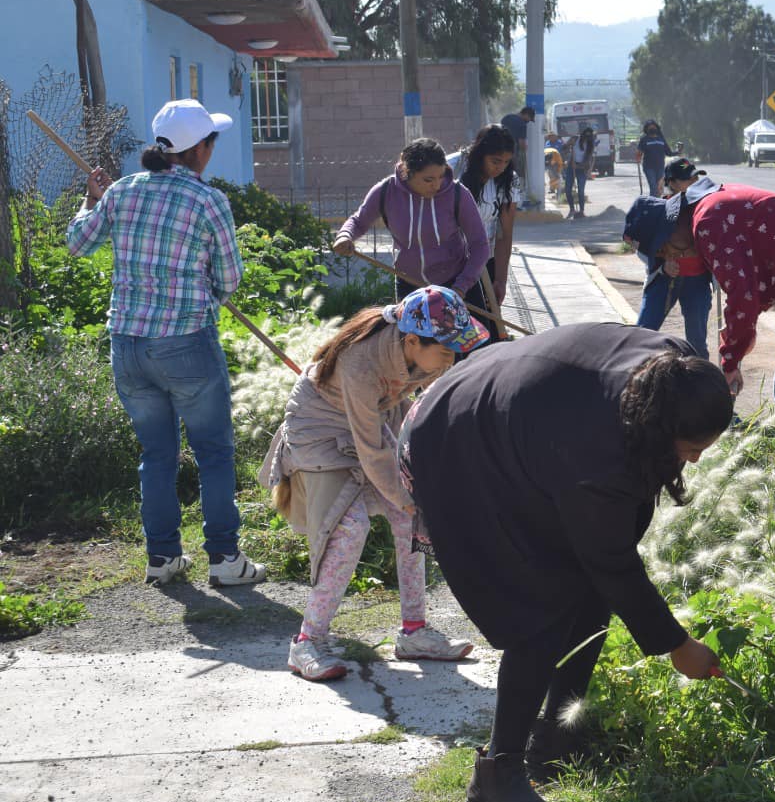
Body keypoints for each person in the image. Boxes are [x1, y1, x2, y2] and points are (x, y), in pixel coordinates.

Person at [399, 323, 730, 802]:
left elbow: (607, 556)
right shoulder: (597, 449)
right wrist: (677, 645)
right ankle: (496, 784)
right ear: (658, 429)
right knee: (542, 607)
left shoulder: (674, 371)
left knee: (590, 592)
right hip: (453, 439)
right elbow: (612, 560)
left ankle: (556, 738)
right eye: (689, 447)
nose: (697, 457)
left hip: (521, 414)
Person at [66, 99, 266, 587]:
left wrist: (90, 200)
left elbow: (78, 243)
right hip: (185, 343)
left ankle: (163, 559)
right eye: (212, 143)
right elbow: (230, 279)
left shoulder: (122, 191)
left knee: (156, 454)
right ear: (200, 149)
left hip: (128, 344)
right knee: (213, 452)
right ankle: (224, 559)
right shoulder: (208, 200)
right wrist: (207, 289)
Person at [260, 286, 484, 681]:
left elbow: (425, 410)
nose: (452, 358)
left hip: (373, 418)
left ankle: (413, 631)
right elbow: (372, 451)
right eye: (446, 349)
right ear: (412, 340)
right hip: (319, 430)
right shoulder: (361, 364)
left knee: (407, 517)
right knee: (351, 527)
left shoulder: (426, 352)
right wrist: (412, 497)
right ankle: (306, 642)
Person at [637, 178, 775, 478]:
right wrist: (733, 351)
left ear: (669, 229)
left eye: (665, 249)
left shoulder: (707, 222)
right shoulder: (708, 208)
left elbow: (742, 297)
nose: (673, 257)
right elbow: (749, 291)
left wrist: (730, 360)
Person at [333, 137, 490, 303]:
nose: (436, 185)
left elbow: (480, 245)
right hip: (410, 287)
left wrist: (460, 287)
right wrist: (345, 235)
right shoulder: (386, 191)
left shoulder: (458, 194)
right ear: (407, 172)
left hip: (455, 285)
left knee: (479, 331)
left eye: (441, 177)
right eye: (428, 180)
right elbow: (358, 222)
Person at [448, 126, 523, 342]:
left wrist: (500, 279)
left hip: (483, 263)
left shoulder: (509, 180)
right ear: (480, 154)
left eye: (506, 162)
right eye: (495, 161)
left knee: (485, 331)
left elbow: (504, 233)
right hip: (448, 263)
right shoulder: (451, 169)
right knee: (452, 329)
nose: (501, 167)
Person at [624, 194, 712, 358]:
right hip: (663, 280)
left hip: (697, 281)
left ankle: (700, 380)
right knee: (643, 333)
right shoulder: (655, 213)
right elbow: (643, 249)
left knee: (697, 342)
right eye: (687, 179)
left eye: (693, 179)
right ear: (671, 182)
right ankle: (632, 372)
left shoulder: (701, 212)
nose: (691, 183)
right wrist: (661, 266)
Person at [563, 128, 596, 218]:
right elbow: (564, 149)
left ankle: (581, 211)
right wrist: (568, 145)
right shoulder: (575, 139)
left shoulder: (590, 146)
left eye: (589, 137)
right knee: (568, 189)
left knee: (581, 190)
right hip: (571, 167)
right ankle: (572, 209)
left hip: (582, 168)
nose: (586, 139)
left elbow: (588, 161)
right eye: (585, 137)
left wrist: (578, 166)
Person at [635, 119, 671, 197]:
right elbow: (639, 152)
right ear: (646, 129)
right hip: (649, 167)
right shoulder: (644, 139)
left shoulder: (661, 139)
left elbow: (668, 152)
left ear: (657, 128)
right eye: (650, 127)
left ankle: (658, 203)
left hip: (660, 167)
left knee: (659, 188)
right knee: (653, 188)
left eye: (653, 127)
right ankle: (652, 205)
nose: (652, 128)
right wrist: (638, 157)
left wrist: (678, 151)